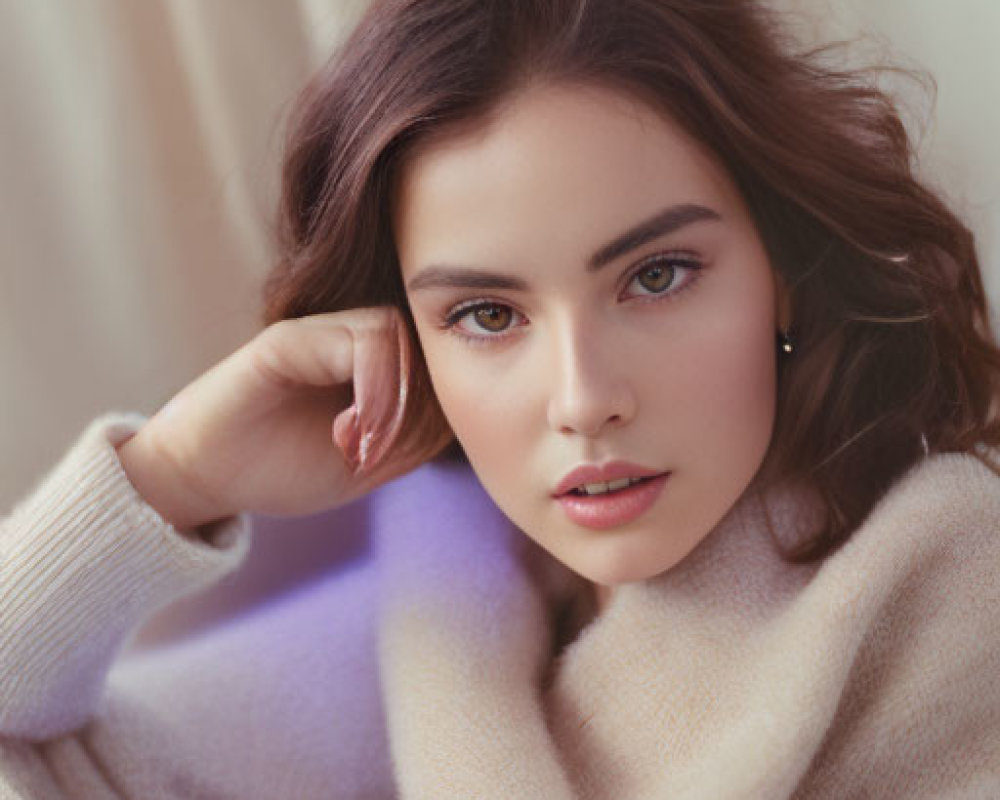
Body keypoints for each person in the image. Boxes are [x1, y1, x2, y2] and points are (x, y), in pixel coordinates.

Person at [3, 0, 1000, 796]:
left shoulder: (947, 601)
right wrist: (173, 471)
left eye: (656, 275)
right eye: (485, 314)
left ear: (781, 267)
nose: (582, 398)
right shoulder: (433, 632)